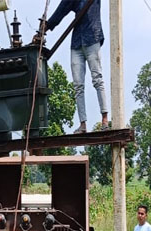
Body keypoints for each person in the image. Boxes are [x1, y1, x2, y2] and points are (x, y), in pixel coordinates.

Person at [43, 0, 109, 133]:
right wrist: (47, 26)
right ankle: (83, 123)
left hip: (92, 37)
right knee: (78, 85)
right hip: (77, 43)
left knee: (97, 79)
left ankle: (105, 119)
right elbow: (62, 9)